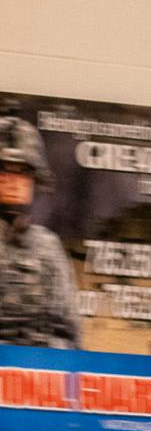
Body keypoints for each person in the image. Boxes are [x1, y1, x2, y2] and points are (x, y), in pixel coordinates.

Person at [0, 113, 81, 347]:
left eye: (22, 172)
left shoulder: (48, 248)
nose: (13, 182)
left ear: (35, 179)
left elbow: (69, 333)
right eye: (4, 171)